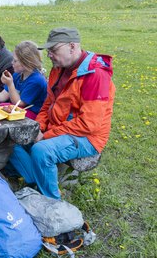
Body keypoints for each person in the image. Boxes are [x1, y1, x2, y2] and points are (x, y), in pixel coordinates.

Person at [6, 27, 115, 199]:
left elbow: (88, 124)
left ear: (72, 46)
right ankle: (36, 180)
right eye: (48, 51)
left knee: (42, 150)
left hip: (88, 137)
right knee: (13, 138)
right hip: (59, 128)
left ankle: (51, 202)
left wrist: (47, 135)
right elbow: (47, 103)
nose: (49, 55)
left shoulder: (95, 75)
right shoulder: (59, 68)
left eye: (53, 50)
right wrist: (38, 127)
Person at [0, 41, 47, 119]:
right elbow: (2, 96)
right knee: (0, 107)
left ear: (26, 62)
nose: (12, 63)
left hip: (33, 114)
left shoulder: (36, 80)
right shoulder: (18, 74)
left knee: (2, 110)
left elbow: (19, 103)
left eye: (15, 61)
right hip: (18, 110)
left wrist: (10, 84)